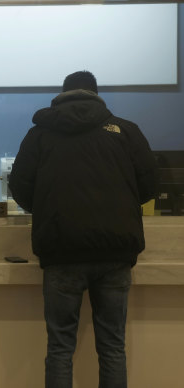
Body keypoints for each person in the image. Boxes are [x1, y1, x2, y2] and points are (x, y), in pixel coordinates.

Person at [8, 71, 158, 388]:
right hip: (116, 252)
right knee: (113, 347)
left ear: (63, 94)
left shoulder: (39, 135)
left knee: (60, 349)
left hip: (61, 251)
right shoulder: (126, 132)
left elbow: (19, 189)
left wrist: (50, 208)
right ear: (96, 94)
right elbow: (150, 186)